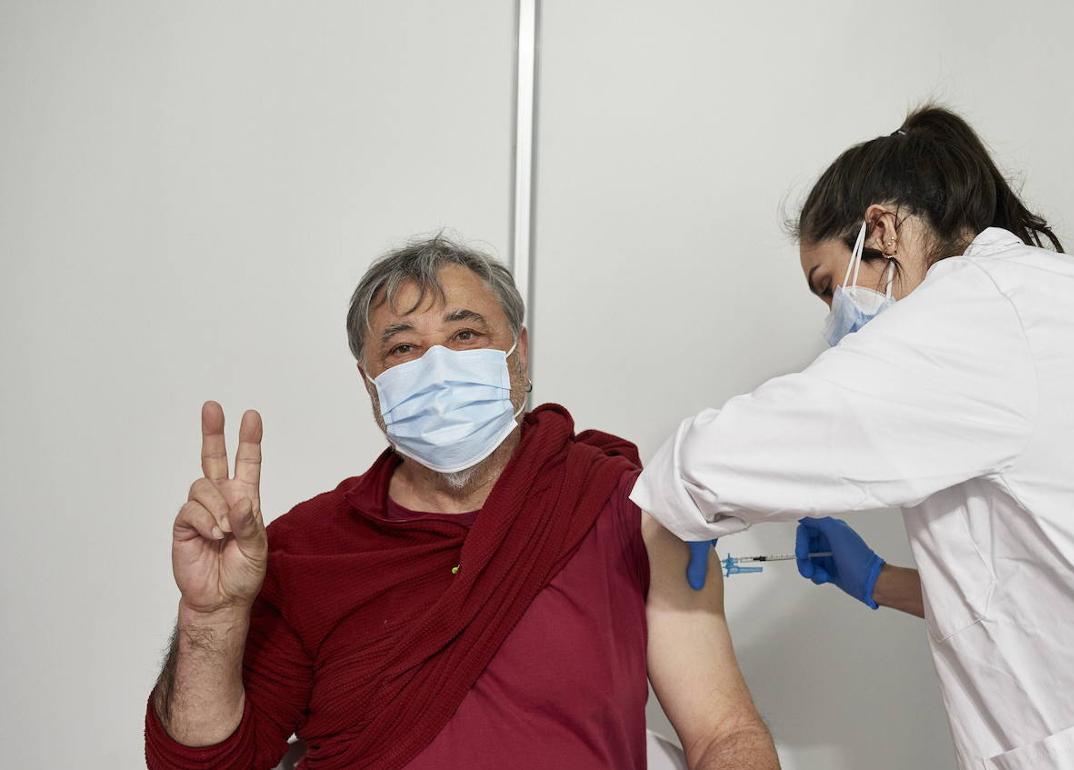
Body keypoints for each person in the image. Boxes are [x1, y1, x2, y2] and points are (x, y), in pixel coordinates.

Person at [631, 106, 1074, 769]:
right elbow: (1042, 587)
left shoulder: (984, 314)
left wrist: (668, 501)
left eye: (830, 287)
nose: (834, 322)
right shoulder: (1045, 307)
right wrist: (874, 580)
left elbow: (723, 457)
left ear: (883, 229)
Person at [144, 236, 780, 770]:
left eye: (466, 333)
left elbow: (724, 734)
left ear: (518, 354)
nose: (437, 367)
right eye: (402, 347)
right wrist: (211, 617)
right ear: (369, 382)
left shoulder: (621, 508)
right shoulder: (306, 547)